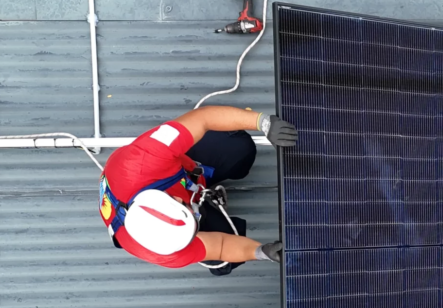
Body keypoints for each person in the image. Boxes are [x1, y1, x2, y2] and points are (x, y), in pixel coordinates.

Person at [97, 106, 296, 274]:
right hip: (177, 187)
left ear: (175, 198)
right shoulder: (162, 250)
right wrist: (261, 252)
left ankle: (213, 172)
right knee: (224, 264)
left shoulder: (145, 158)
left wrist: (263, 122)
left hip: (180, 169)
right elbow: (219, 246)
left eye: (192, 214)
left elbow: (204, 118)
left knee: (237, 148)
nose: (197, 214)